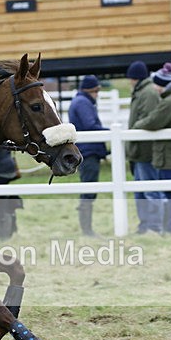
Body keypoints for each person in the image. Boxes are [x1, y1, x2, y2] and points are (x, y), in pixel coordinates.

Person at [133, 63, 171, 233]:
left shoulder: (169, 103)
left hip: (168, 153)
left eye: (157, 84)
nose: (155, 88)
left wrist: (137, 125)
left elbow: (153, 121)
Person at [125, 61, 165, 234]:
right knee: (140, 191)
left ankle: (155, 225)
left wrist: (133, 133)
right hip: (139, 150)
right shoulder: (142, 92)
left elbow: (148, 119)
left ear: (135, 78)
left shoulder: (147, 93)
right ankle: (145, 224)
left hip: (145, 150)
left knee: (150, 190)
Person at [68, 75, 108, 237]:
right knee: (89, 189)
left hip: (86, 150)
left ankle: (86, 227)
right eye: (96, 90)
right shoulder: (83, 103)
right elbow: (91, 125)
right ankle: (87, 229)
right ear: (90, 90)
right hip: (89, 151)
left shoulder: (79, 101)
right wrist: (110, 133)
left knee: (88, 188)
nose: (97, 94)